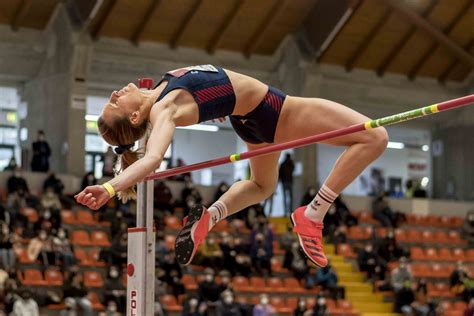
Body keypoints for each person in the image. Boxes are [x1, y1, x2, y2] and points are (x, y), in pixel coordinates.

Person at [75, 64, 389, 268]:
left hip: (249, 119)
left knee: (262, 187)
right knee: (374, 137)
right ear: (133, 118)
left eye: (111, 97)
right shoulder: (164, 109)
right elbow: (154, 159)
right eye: (114, 102)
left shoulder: (161, 89)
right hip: (274, 111)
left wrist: (219, 105)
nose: (115, 93)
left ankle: (210, 218)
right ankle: (313, 214)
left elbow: (209, 90)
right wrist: (109, 187)